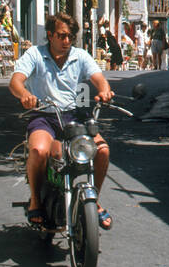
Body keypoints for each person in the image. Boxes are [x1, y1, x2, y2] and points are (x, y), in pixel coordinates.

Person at [10, 12, 115, 230]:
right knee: (39, 151)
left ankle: (93, 199)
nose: (66, 41)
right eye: (61, 35)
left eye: (70, 37)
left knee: (102, 150)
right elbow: (16, 82)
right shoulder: (35, 55)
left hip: (74, 117)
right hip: (44, 116)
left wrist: (105, 91)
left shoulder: (81, 56)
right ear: (50, 35)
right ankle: (35, 201)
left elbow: (99, 80)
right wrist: (24, 95)